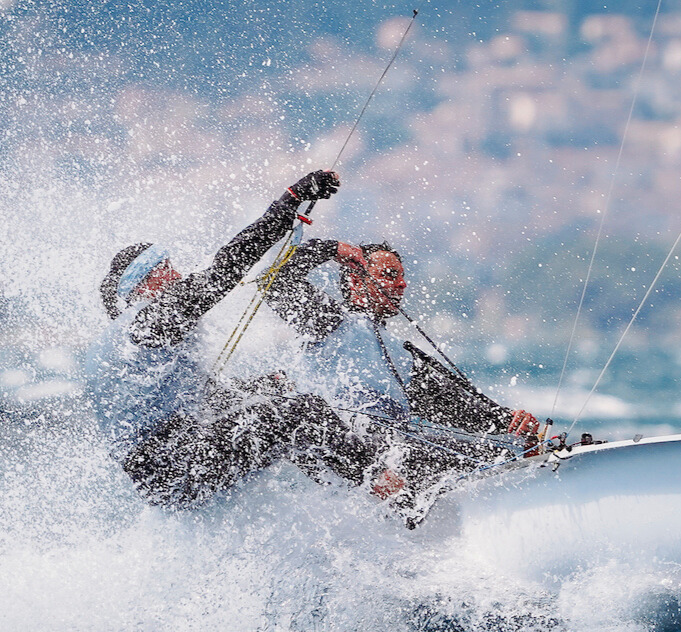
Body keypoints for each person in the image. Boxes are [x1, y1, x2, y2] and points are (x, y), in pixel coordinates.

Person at [85, 170, 399, 509]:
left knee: (288, 421)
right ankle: (397, 497)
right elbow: (227, 266)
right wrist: (289, 202)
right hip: (176, 464)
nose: (177, 275)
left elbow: (198, 400)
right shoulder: (150, 323)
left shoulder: (129, 342)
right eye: (165, 268)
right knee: (303, 414)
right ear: (143, 284)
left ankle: (350, 502)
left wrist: (259, 387)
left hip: (163, 477)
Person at [263, 236, 540, 503]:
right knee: (466, 455)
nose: (402, 284)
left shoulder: (401, 355)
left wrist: (509, 421)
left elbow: (457, 407)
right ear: (356, 281)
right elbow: (274, 280)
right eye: (389, 275)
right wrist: (331, 249)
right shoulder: (328, 322)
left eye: (402, 276)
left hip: (395, 449)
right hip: (346, 448)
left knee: (500, 452)